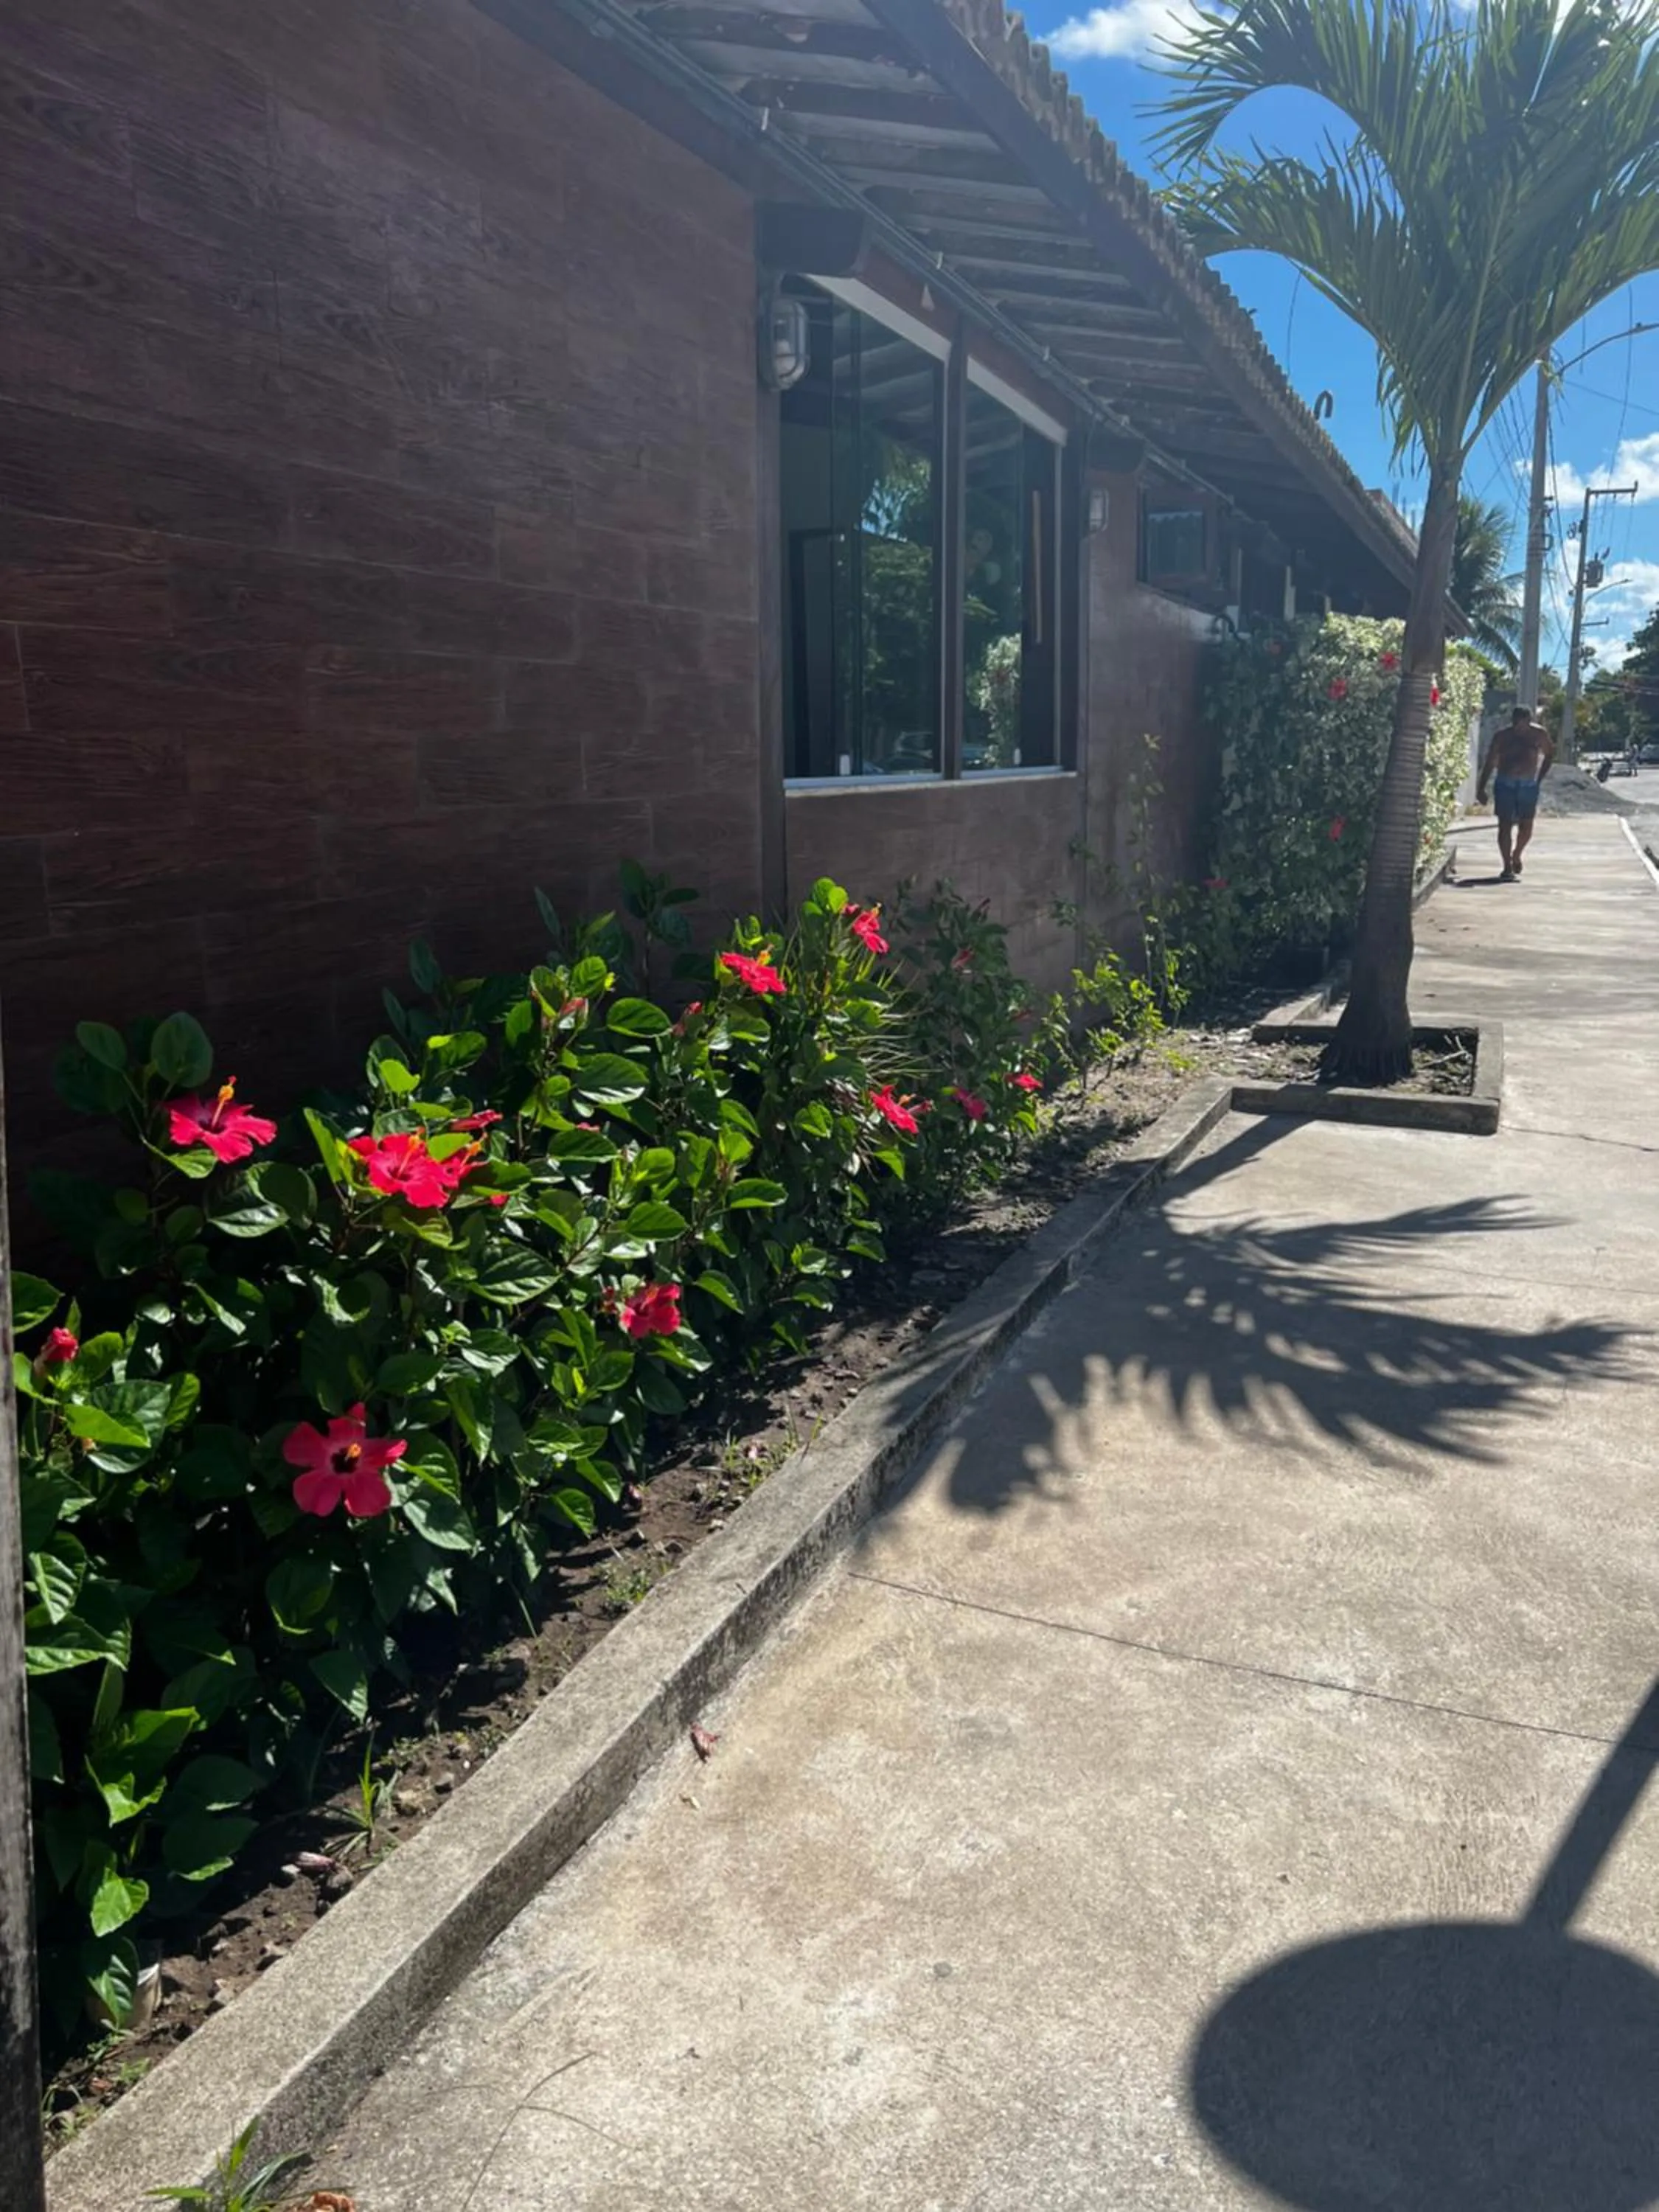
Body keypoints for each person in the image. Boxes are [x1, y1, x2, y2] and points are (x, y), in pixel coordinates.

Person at [1476, 706, 1555, 880]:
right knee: (1505, 825)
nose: (1519, 727)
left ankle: (1517, 854)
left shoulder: (1539, 735)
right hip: (1506, 783)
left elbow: (1550, 754)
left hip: (1528, 784)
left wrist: (1539, 777)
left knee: (1526, 825)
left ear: (1529, 721)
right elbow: (1490, 762)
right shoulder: (1503, 737)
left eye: (1523, 723)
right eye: (1516, 723)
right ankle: (1506, 866)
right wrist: (1481, 788)